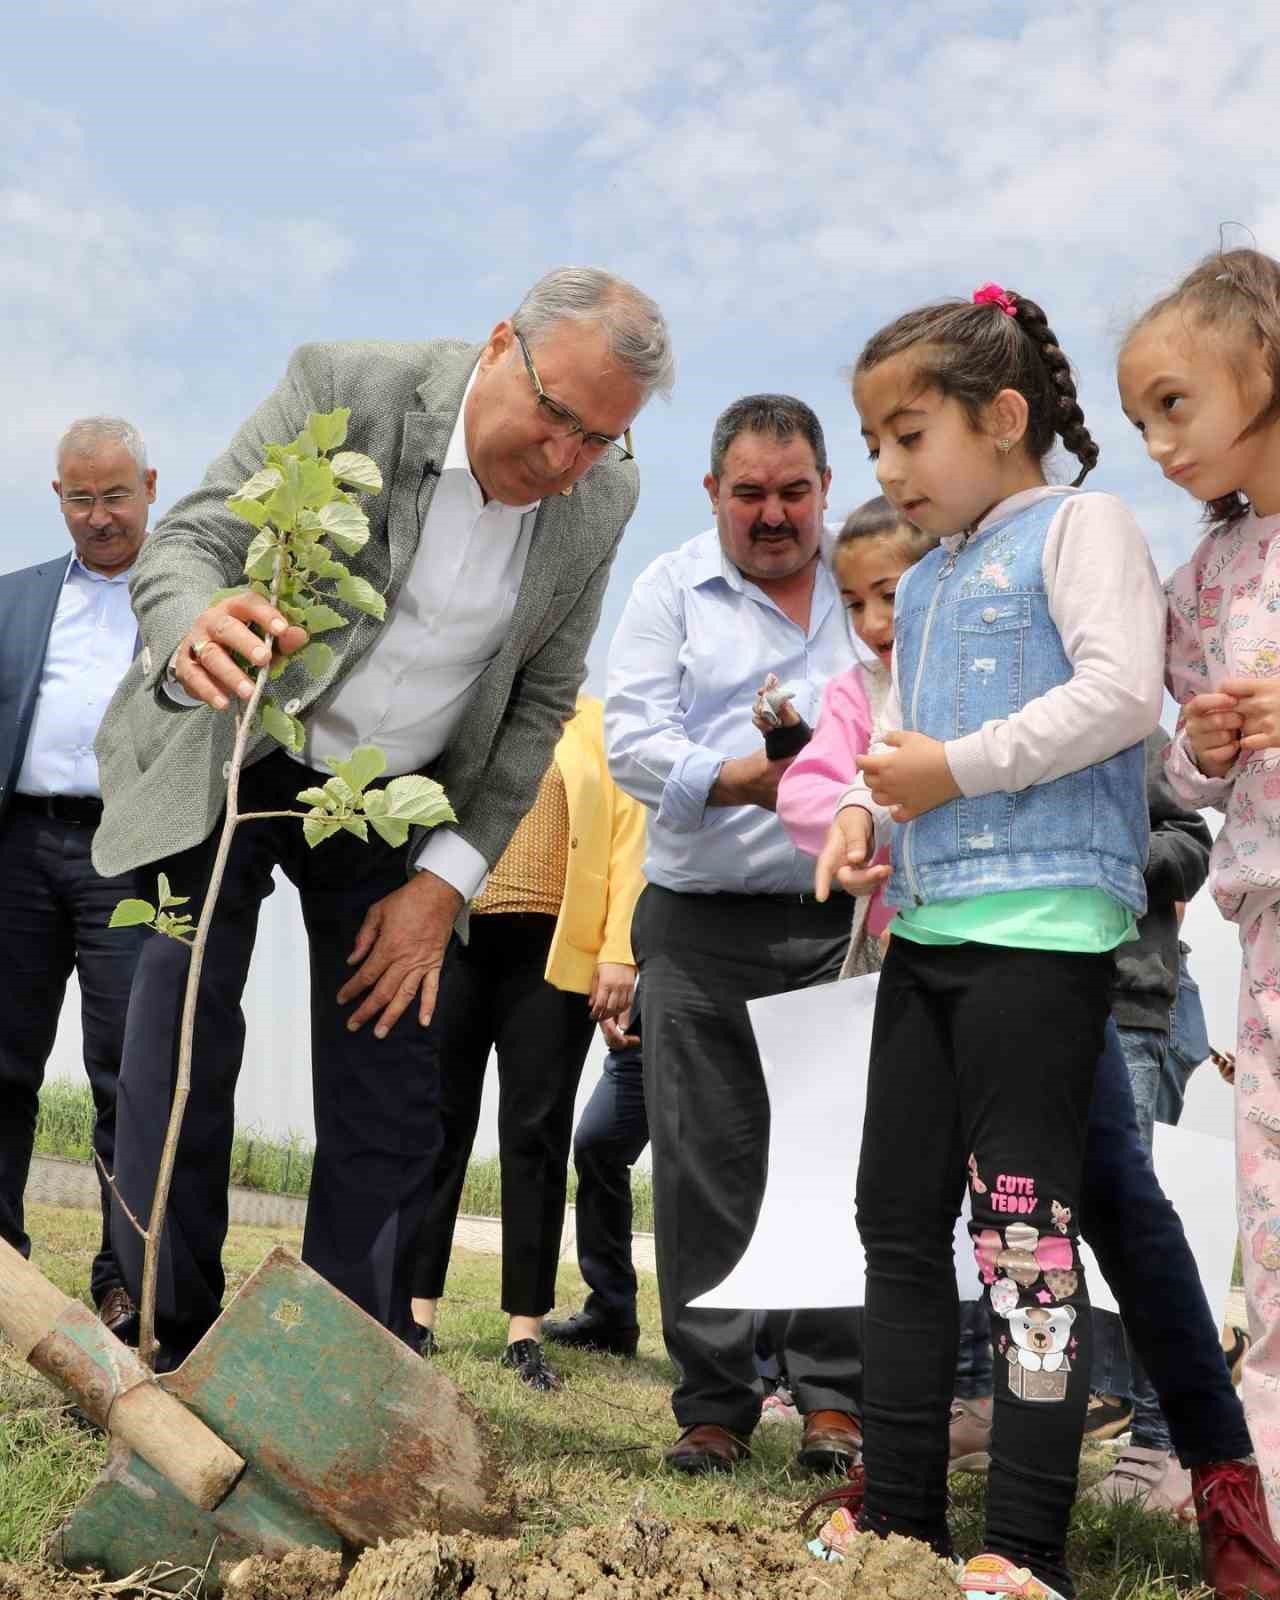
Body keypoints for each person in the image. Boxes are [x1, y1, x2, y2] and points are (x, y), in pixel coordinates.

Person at [92, 267, 672, 1368]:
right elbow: (188, 545)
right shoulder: (348, 388)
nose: (562, 460)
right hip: (245, 741)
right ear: (501, 344)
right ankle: (169, 1333)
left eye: (598, 439)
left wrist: (439, 884)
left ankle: (325, 1362)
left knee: (389, 1068)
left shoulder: (599, 500)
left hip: (386, 803)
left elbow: (541, 700)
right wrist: (194, 620)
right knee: (177, 1027)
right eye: (553, 417)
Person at [784, 496, 1267, 1596]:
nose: (880, 621)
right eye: (860, 601)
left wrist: (1086, 868)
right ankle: (901, 1484)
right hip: (967, 970)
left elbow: (1178, 826)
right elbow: (851, 787)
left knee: (1113, 1226)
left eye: (893, 596)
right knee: (975, 1225)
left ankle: (1218, 1473)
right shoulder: (905, 705)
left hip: (1095, 981)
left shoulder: (1082, 689)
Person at [817, 282, 1164, 1600]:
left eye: (911, 435)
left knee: (1023, 1236)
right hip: (930, 931)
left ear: (1003, 416)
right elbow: (891, 734)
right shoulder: (930, 574)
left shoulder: (1084, 526)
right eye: (877, 446)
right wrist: (859, 811)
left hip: (1042, 937)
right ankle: (897, 1521)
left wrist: (953, 773)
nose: (891, 469)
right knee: (894, 1222)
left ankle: (1023, 1548)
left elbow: (1123, 692)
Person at [606, 394, 862, 1479]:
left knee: (837, 1166)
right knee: (703, 1168)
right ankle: (711, 1403)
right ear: (710, 490)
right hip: (699, 926)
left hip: (839, 923)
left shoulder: (875, 578)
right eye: (748, 493)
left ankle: (832, 1402)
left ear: (825, 488)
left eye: (792, 492)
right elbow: (628, 739)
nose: (771, 515)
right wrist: (739, 779)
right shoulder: (669, 588)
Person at [1121, 245, 1280, 1546]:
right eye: (1139, 421)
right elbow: (1171, 766)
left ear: (1266, 363)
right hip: (1268, 929)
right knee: (1271, 1221)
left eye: (1175, 403)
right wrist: (1205, 752)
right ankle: (1267, 1493)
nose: (1157, 443)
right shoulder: (1203, 584)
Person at [408, 694, 644, 1390]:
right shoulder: (460, 705)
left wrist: (619, 950)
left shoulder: (601, 724)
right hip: (454, 936)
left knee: (535, 1132)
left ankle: (524, 1331)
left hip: (553, 955)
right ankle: (415, 1314)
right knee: (436, 1125)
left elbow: (632, 840)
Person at [0, 417, 157, 1344]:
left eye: (116, 496)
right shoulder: (15, 602)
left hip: (127, 855)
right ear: (57, 496)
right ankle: (3, 1262)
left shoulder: (188, 599)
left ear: (149, 485)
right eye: (80, 499)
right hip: (18, 848)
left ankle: (123, 1281)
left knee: (126, 1076)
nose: (100, 518)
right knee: (2, 1064)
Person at [543, 999, 647, 1359]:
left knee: (705, 1168)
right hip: (642, 1032)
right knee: (598, 1143)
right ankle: (611, 1315)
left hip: (712, 1018)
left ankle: (737, 1352)